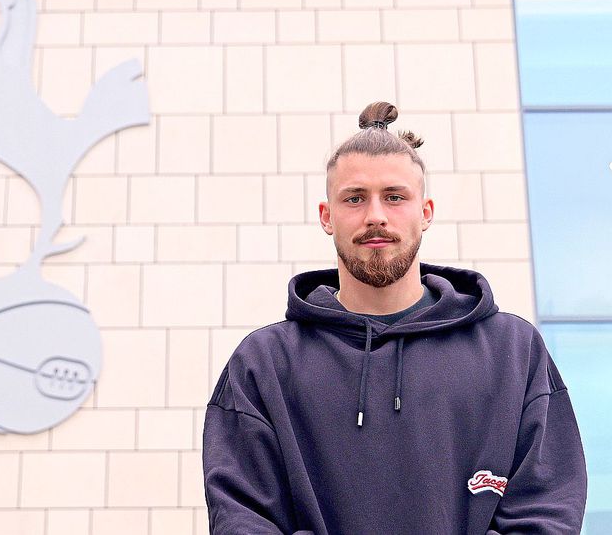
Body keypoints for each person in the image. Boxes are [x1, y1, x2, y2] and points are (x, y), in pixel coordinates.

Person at [201, 102, 587, 534]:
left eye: (395, 197)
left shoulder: (512, 351)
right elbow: (244, 518)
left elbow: (546, 511)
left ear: (426, 212)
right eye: (354, 198)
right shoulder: (265, 363)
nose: (376, 216)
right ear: (327, 216)